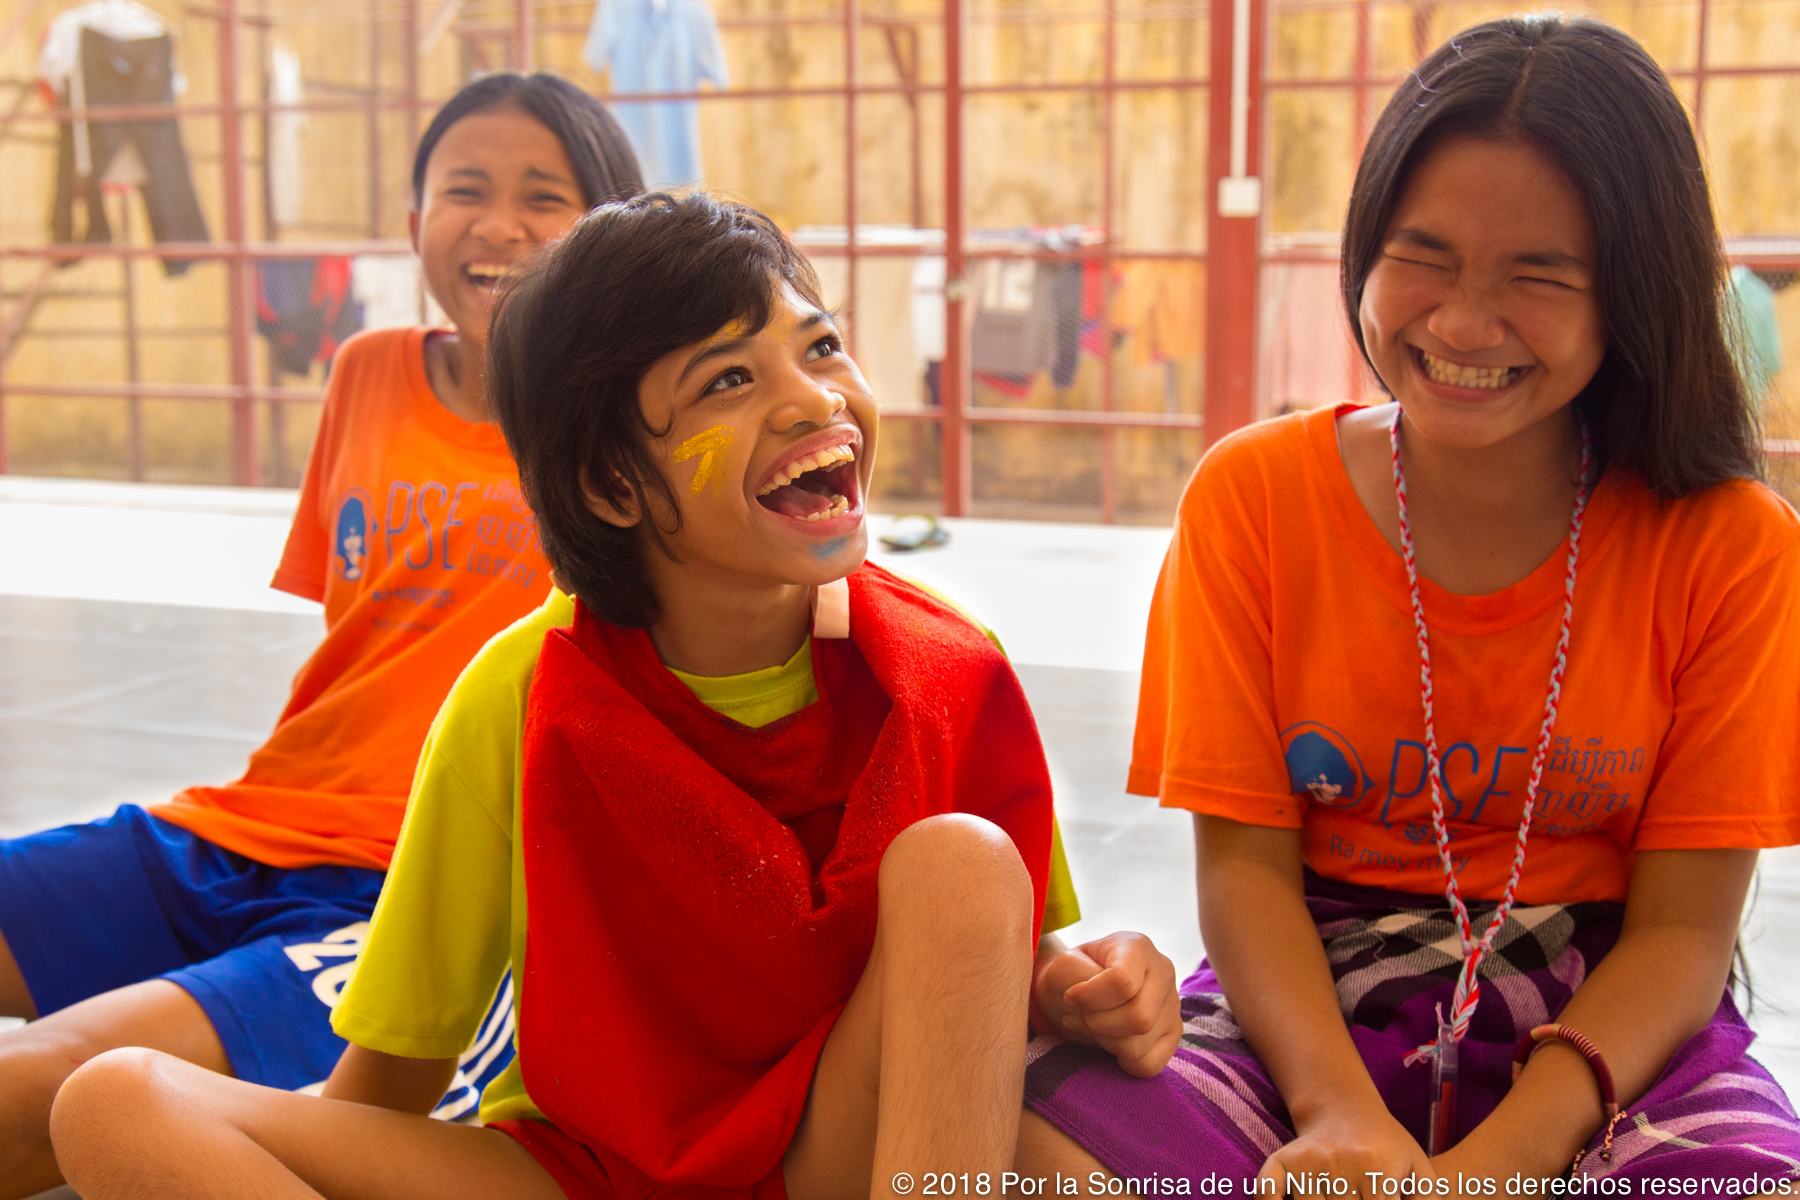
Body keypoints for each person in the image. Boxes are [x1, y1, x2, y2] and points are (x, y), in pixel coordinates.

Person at [47, 191, 1184, 1199]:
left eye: (822, 346)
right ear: (607, 482)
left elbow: (999, 974)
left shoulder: (950, 664)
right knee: (117, 1100)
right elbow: (391, 1079)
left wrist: (1098, 984)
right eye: (729, 381)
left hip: (819, 1162)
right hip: (582, 1171)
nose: (810, 402)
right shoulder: (520, 696)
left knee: (966, 862)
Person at [1016, 15, 1800, 1191]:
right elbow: (1244, 874)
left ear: (1633, 292)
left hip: (1606, 1016)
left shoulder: (1733, 544)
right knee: (1024, 1138)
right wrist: (1337, 1116)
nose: (1462, 322)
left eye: (1540, 274)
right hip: (1307, 994)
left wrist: (1494, 1169)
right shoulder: (1252, 497)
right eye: (1422, 255)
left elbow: (1686, 935)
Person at [0, 72, 642, 1197]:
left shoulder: (637, 435)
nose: (498, 224)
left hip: (399, 895)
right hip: (231, 831)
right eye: (465, 190)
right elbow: (363, 639)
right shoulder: (368, 372)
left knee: (41, 1090)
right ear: (414, 227)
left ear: (609, 236)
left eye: (546, 194)